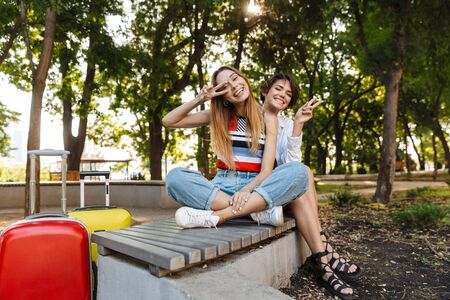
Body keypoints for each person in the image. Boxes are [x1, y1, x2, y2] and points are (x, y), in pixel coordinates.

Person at [162, 66, 309, 230]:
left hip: (255, 186)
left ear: (244, 78)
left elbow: (266, 171)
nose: (233, 86)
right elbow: (169, 121)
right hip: (221, 186)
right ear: (222, 95)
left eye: (235, 78)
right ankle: (255, 210)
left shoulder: (268, 117)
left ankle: (221, 215)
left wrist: (246, 191)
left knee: (299, 172)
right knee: (174, 178)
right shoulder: (217, 115)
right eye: (225, 86)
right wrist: (200, 99)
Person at [260, 73, 360, 299]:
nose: (283, 96)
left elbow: (292, 168)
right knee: (303, 172)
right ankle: (325, 256)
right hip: (258, 191)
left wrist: (297, 126)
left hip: (281, 189)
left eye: (288, 94)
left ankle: (322, 261)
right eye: (278, 89)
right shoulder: (250, 116)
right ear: (265, 91)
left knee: (303, 171)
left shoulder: (285, 123)